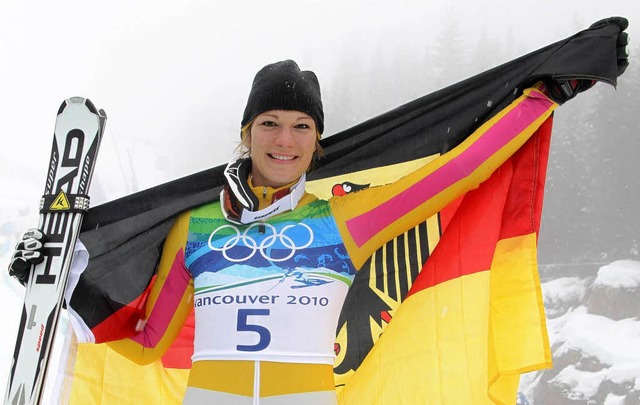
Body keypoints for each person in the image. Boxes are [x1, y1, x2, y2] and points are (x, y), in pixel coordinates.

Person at [9, 22, 629, 403]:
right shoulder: (192, 229)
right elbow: (147, 343)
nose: (284, 139)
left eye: (301, 126)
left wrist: (545, 94)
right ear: (246, 132)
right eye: (270, 123)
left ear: (317, 142)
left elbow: (456, 173)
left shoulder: (342, 222)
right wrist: (59, 278)